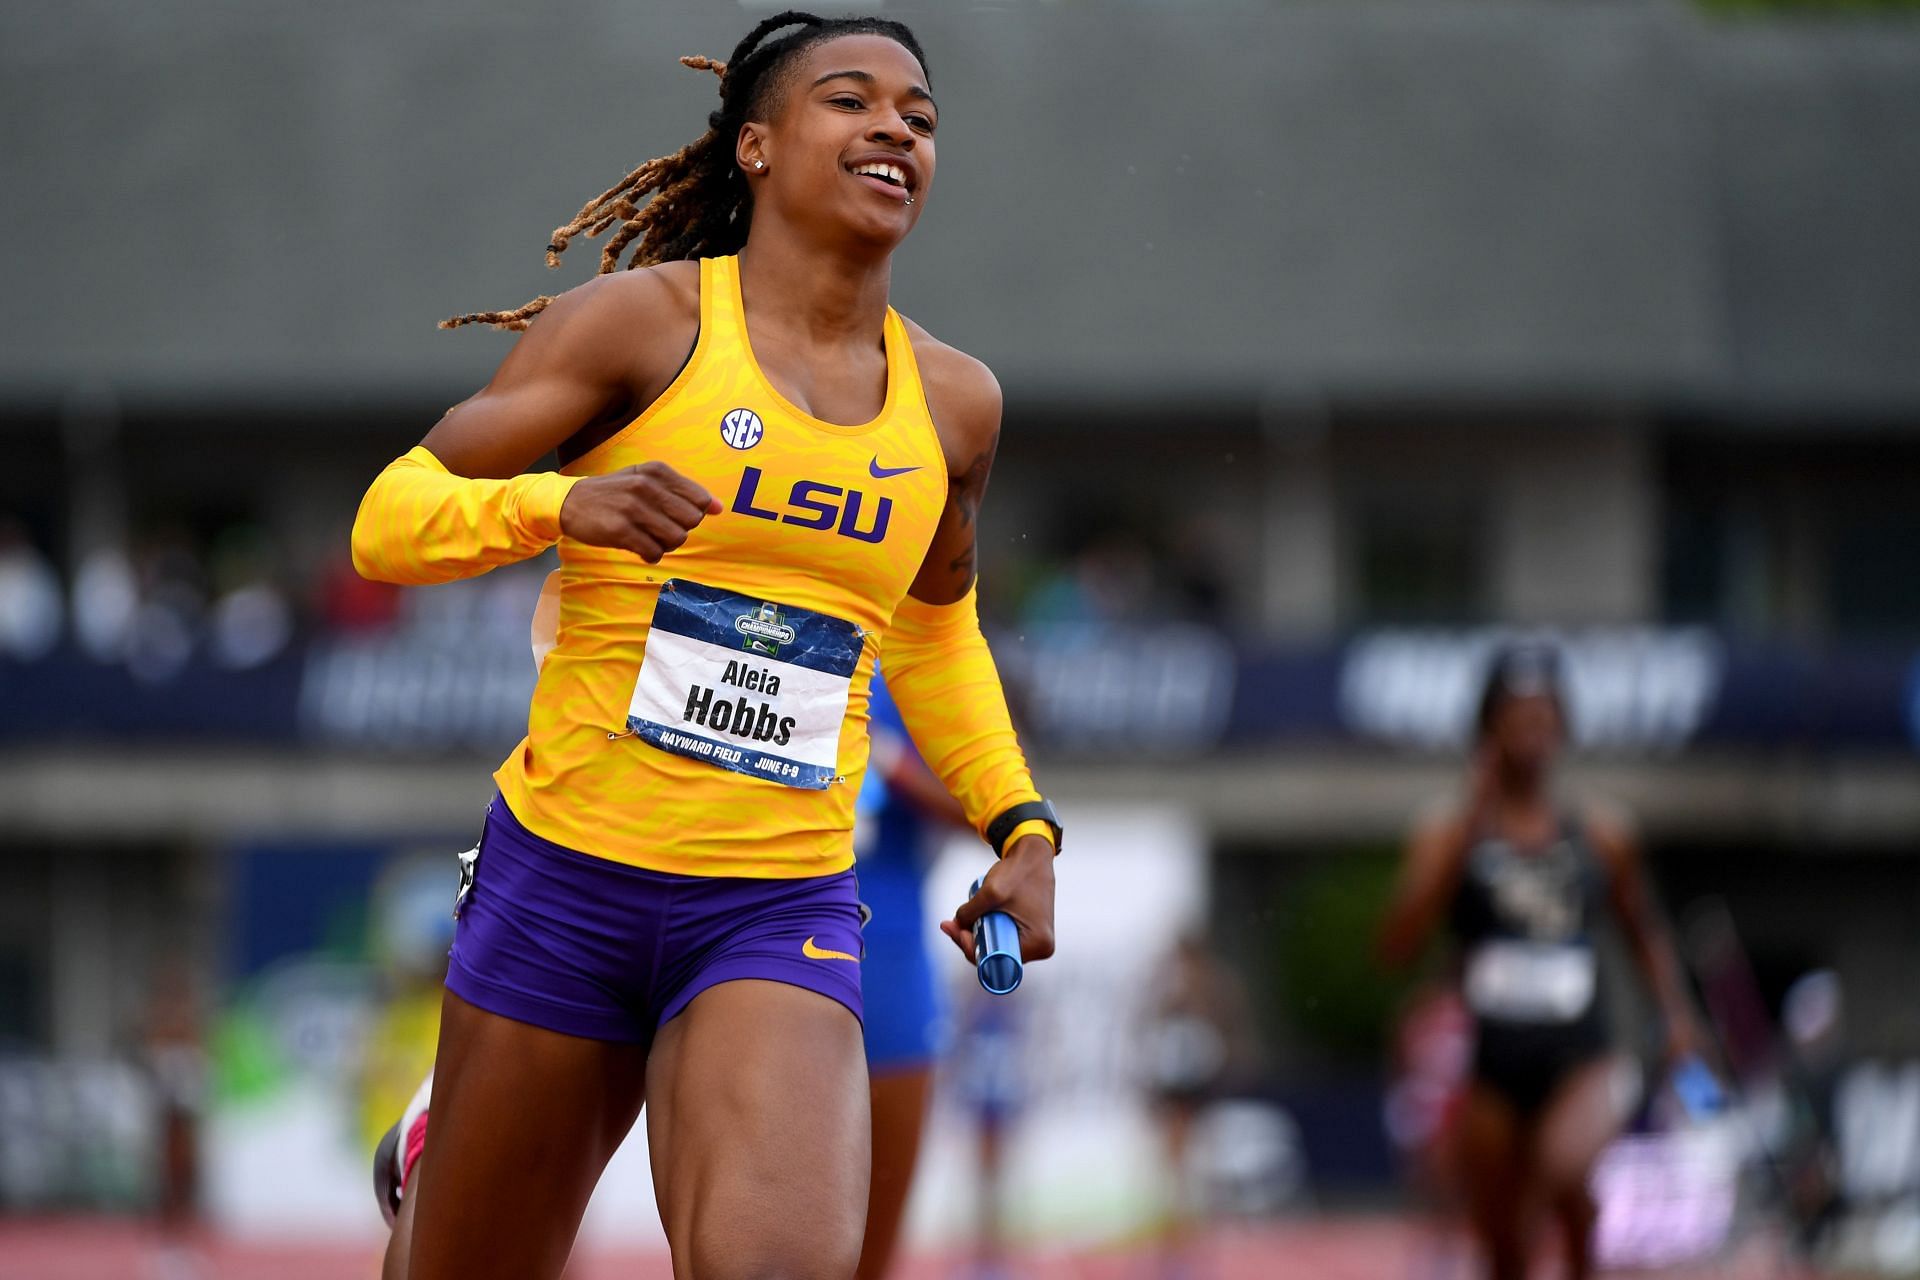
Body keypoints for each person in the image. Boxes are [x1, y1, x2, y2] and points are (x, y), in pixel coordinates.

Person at [348, 13, 1064, 1279]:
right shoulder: (640, 326)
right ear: (757, 144)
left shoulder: (954, 403)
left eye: (922, 116)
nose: (896, 126)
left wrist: (1022, 825)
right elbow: (384, 523)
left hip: (775, 901)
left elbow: (936, 636)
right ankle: (440, 1140)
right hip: (566, 880)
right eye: (851, 101)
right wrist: (560, 504)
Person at [1377, 645, 1701, 1280]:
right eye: (1518, 717)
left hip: (1583, 1052)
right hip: (1495, 1061)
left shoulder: (1602, 834)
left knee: (1565, 1167)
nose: (1533, 733)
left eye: (1545, 717)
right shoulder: (1449, 833)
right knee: (1500, 1241)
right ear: (1488, 729)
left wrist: (1676, 1016)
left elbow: (1644, 934)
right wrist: (1466, 828)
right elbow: (1397, 946)